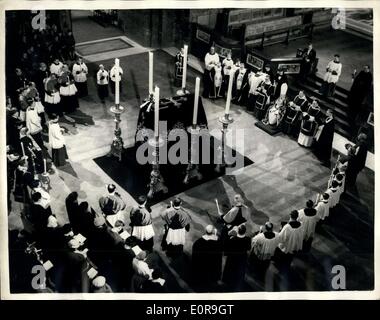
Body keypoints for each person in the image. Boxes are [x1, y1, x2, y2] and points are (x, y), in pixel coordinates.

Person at [222, 224, 251, 291]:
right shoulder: (248, 239)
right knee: (240, 270)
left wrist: (230, 232)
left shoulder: (232, 239)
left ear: (237, 231)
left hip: (232, 258)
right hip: (242, 258)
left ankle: (228, 281)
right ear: (245, 231)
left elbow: (226, 248)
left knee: (230, 269)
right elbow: (248, 248)